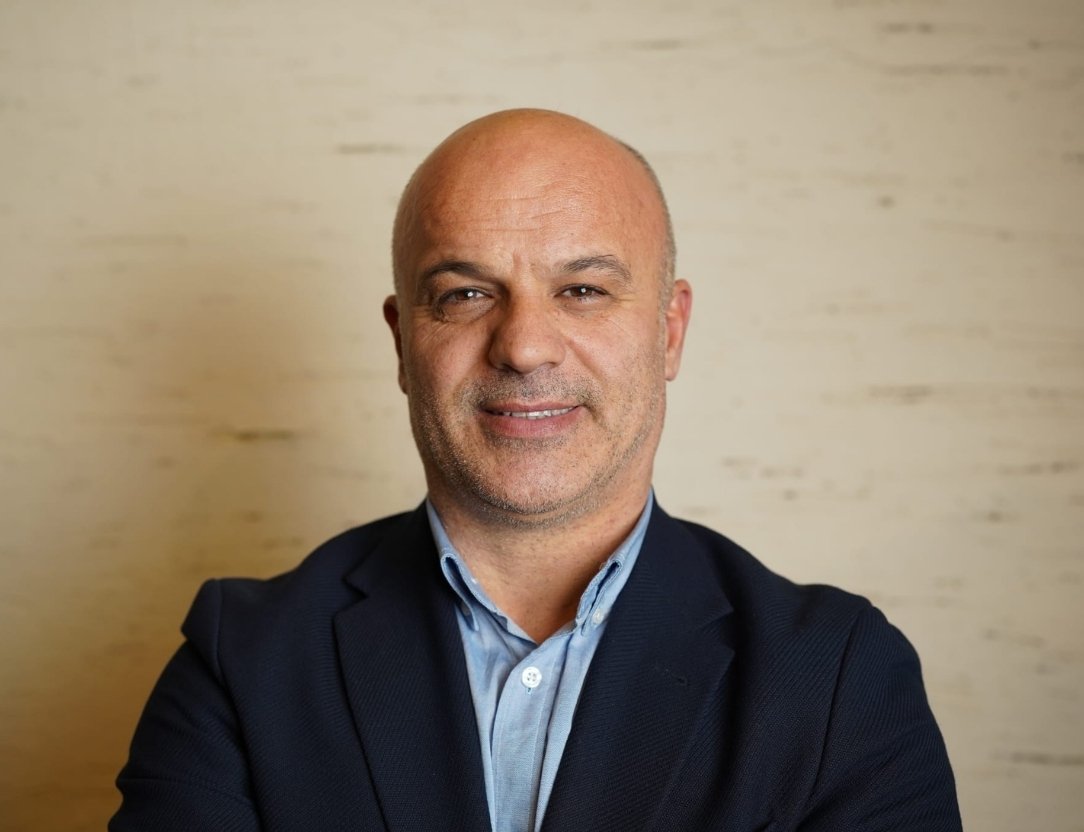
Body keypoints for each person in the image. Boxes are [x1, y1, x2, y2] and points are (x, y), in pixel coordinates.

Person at [111, 109, 961, 831]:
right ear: (403, 342)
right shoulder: (241, 660)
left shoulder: (838, 677)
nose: (522, 346)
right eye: (465, 294)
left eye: (583, 290)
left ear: (669, 331)